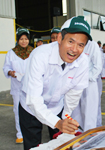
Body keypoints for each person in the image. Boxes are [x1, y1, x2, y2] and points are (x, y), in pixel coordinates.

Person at [19, 16, 91, 150]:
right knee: (32, 145)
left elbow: (73, 95)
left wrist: (65, 118)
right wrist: (57, 123)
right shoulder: (39, 55)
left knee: (62, 144)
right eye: (71, 41)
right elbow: (34, 100)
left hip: (57, 106)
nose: (74, 49)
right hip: (30, 108)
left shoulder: (83, 62)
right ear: (59, 38)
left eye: (81, 45)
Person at [3, 28, 34, 143]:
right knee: (17, 110)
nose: (24, 41)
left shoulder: (33, 52)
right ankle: (20, 133)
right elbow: (6, 67)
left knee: (31, 110)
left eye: (26, 39)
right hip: (17, 87)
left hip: (30, 86)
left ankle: (30, 132)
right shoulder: (11, 53)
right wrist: (10, 72)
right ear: (17, 40)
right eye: (21, 39)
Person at [71, 40, 102, 131]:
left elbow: (98, 66)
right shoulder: (73, 44)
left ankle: (89, 138)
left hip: (89, 84)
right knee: (75, 112)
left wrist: (86, 78)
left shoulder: (92, 45)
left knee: (89, 114)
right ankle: (78, 136)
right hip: (74, 83)